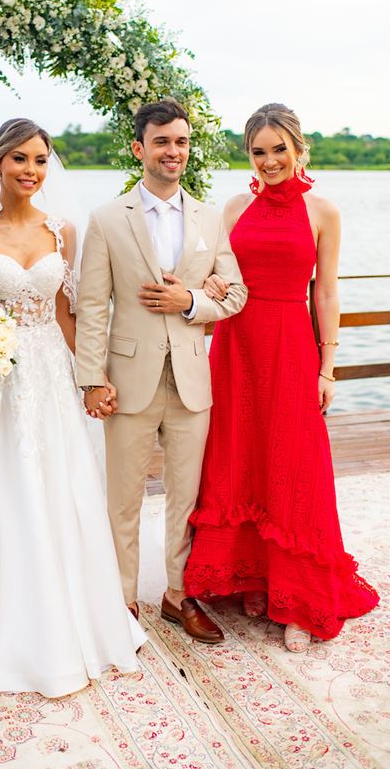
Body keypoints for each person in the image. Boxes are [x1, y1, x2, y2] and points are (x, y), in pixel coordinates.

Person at [0, 117, 145, 715]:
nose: (31, 171)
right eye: (18, 159)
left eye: (40, 160)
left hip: (45, 376)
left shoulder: (64, 230)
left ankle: (62, 630)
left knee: (52, 489)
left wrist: (90, 377)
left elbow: (70, 315)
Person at [184, 103, 379, 651]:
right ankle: (252, 576)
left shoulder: (323, 211)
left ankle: (300, 594)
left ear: (299, 149)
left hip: (291, 347)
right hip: (236, 347)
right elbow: (214, 276)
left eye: (279, 149)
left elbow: (327, 291)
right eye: (258, 151)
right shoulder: (232, 207)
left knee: (293, 461)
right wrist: (212, 288)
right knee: (239, 456)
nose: (269, 161)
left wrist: (328, 365)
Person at [75, 98, 248, 640]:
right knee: (122, 497)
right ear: (139, 148)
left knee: (186, 496)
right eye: (162, 142)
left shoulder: (209, 217)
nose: (173, 151)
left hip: (193, 380)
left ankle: (179, 594)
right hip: (127, 381)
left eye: (181, 142)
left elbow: (237, 293)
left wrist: (192, 302)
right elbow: (92, 304)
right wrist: (91, 378)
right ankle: (121, 601)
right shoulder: (106, 219)